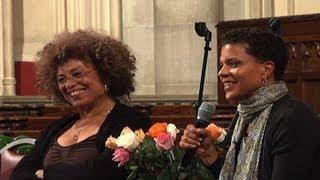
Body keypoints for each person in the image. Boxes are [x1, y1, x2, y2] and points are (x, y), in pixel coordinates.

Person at [179, 27, 320, 179]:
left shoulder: (292, 118)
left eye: (233, 64)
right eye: (222, 65)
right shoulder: (245, 113)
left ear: (266, 70)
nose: (221, 73)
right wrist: (209, 155)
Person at [11, 30, 151, 180]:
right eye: (61, 79)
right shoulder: (56, 128)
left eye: (77, 74)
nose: (69, 84)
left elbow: (104, 173)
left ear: (105, 76)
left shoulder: (133, 122)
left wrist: (46, 174)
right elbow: (19, 174)